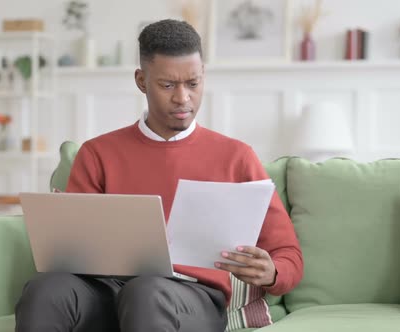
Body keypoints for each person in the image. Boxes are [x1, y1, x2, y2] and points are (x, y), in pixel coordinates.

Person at [15, 19, 303, 332]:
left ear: (203, 75)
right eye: (168, 85)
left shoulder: (237, 157)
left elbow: (289, 254)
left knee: (146, 292)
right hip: (106, 291)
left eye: (192, 84)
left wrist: (272, 272)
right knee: (46, 290)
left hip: (190, 297)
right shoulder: (97, 153)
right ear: (141, 80)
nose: (182, 98)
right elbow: (68, 249)